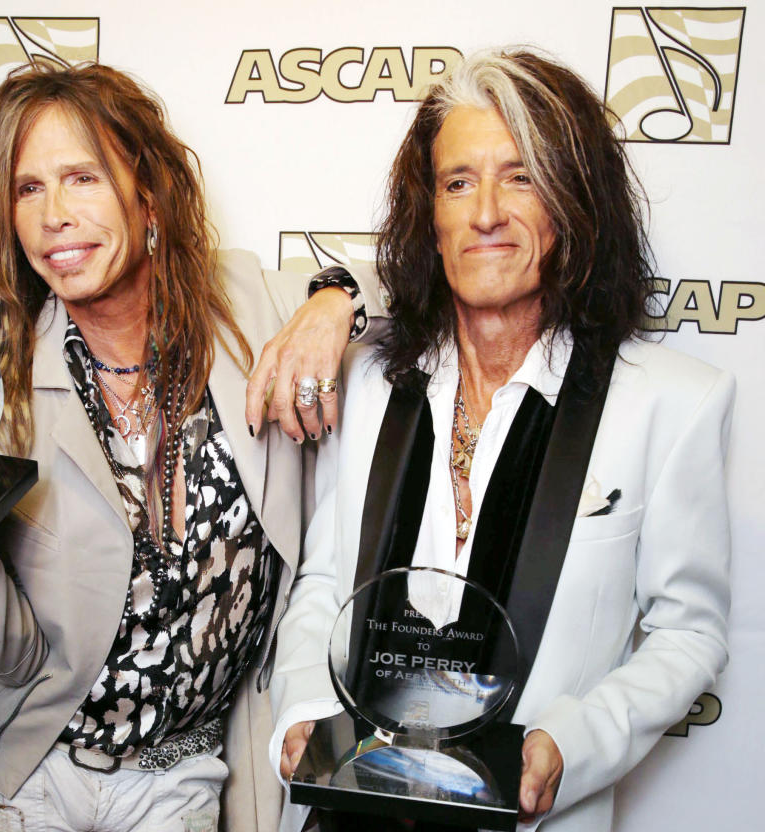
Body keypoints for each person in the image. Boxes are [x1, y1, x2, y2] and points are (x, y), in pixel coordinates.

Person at [0, 63, 386, 832]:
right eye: (28, 188)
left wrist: (332, 303)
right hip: (37, 777)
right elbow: (12, 658)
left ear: (146, 192)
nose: (53, 215)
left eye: (81, 177)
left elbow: (416, 287)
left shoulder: (251, 305)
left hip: (185, 774)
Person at [270, 48, 733, 832]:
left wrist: (572, 741)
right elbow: (323, 581)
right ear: (432, 216)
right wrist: (306, 710)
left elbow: (689, 631)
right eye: (458, 183)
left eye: (520, 177)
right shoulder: (374, 381)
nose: (486, 212)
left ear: (572, 202)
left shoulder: (672, 403)